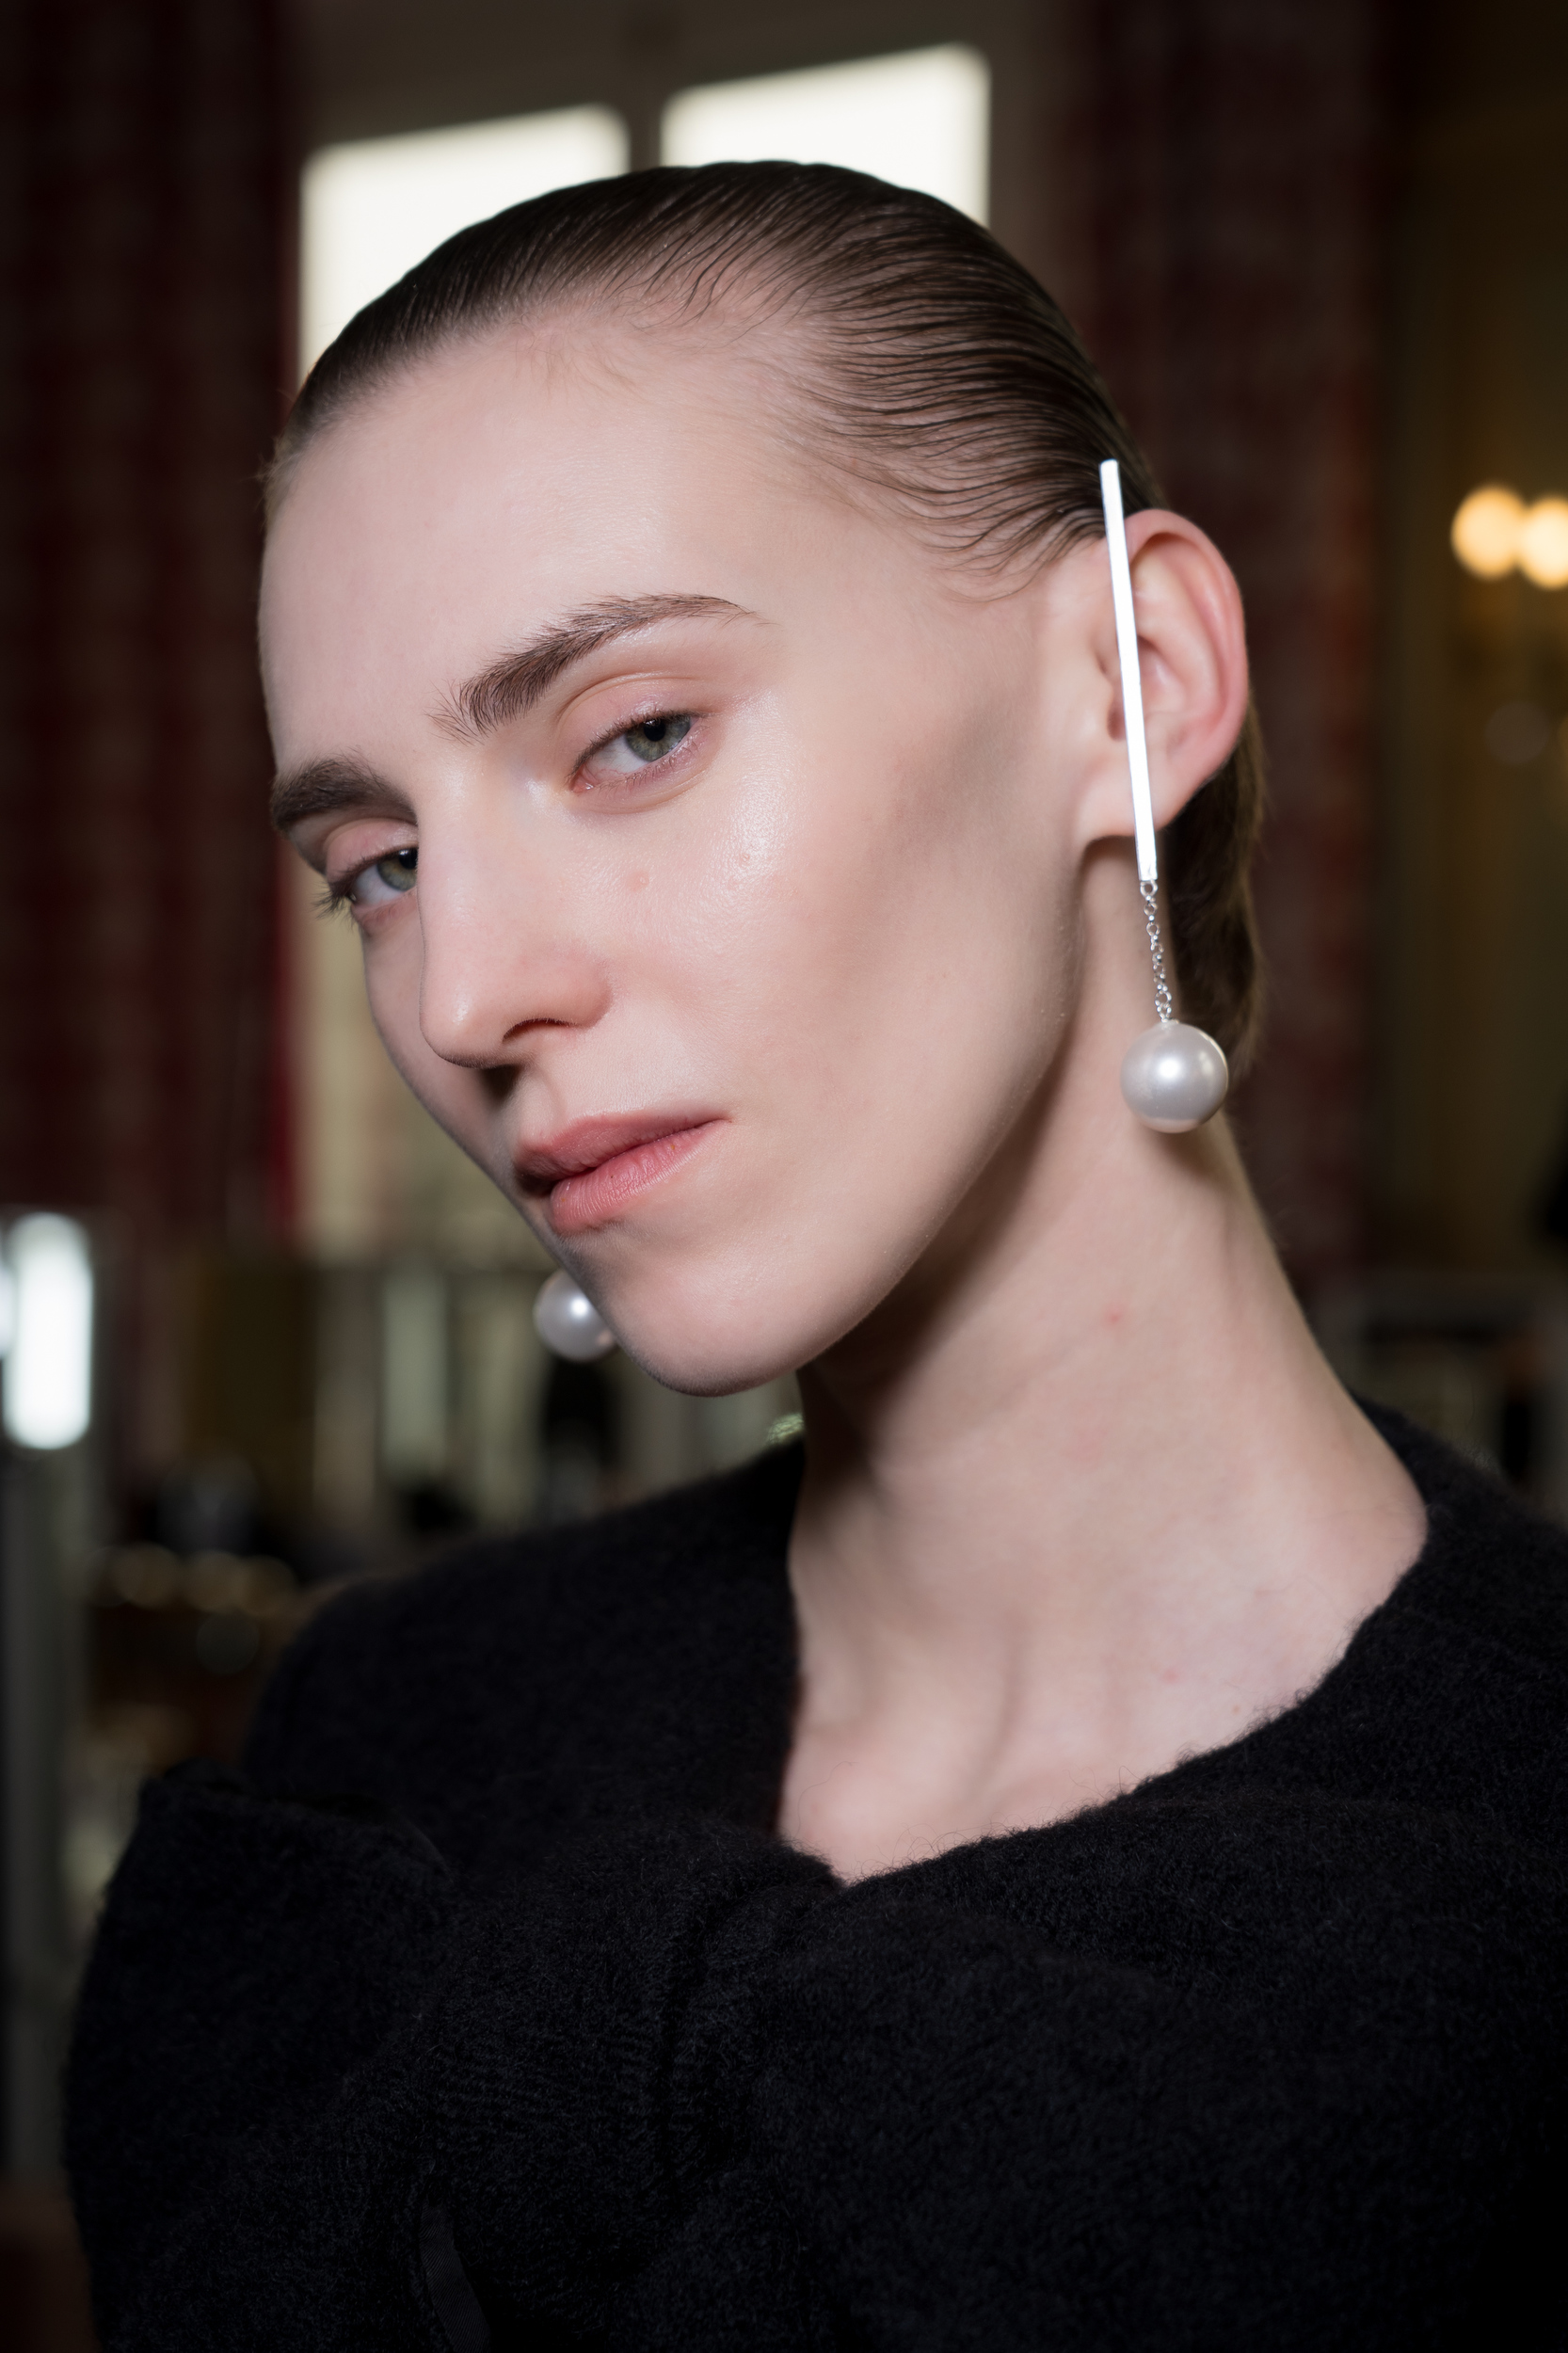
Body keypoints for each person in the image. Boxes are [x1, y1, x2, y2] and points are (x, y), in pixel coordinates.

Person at [67, 164, 1568, 2349]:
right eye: (376, 863)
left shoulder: (1506, 1839)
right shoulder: (381, 1730)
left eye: (633, 736)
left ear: (1130, 682)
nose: (464, 991)